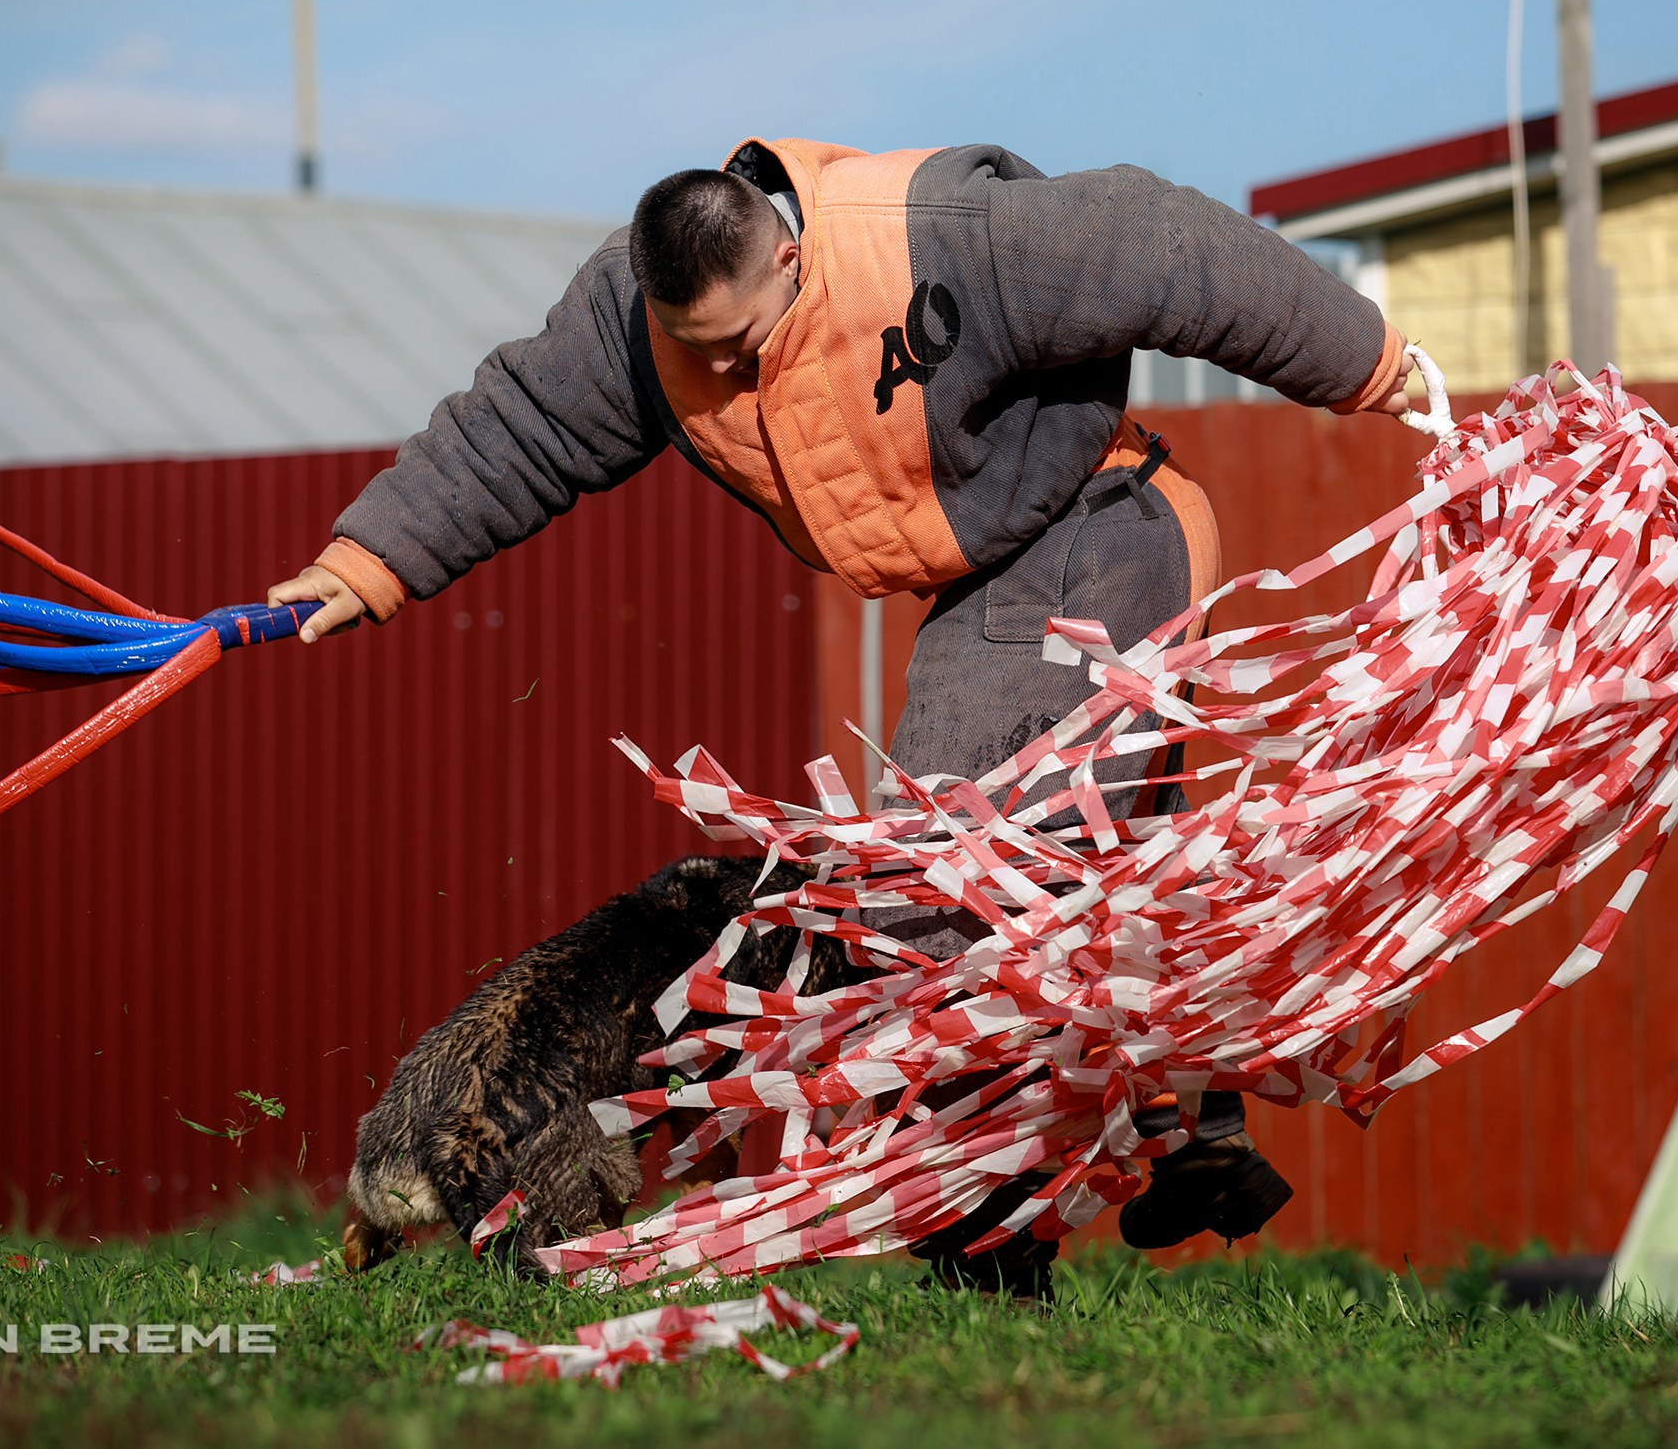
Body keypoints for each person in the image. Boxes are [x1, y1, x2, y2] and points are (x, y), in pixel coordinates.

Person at [270, 136, 1415, 1290]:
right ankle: (1193, 1139)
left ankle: (989, 1248)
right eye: (694, 350)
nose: (721, 371)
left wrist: (1375, 366)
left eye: (740, 342)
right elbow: (519, 427)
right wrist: (369, 562)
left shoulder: (939, 237)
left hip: (1095, 532)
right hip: (988, 579)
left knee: (949, 899)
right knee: (1075, 882)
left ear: (787, 256)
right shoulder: (640, 318)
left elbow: (1164, 241)